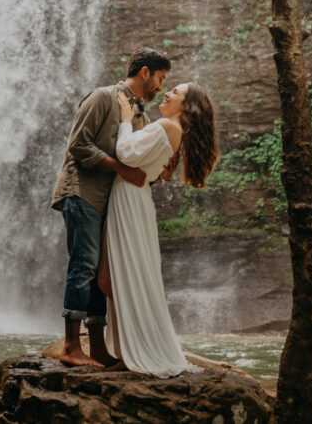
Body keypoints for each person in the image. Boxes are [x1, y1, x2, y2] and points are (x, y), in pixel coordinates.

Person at [49, 47, 172, 368]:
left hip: (111, 203)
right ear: (145, 71)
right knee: (84, 266)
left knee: (103, 273)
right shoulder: (102, 98)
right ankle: (71, 347)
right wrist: (121, 168)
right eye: (161, 77)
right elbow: (78, 144)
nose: (161, 86)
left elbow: (138, 168)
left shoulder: (140, 115)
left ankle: (99, 349)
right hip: (83, 192)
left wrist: (160, 171)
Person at [98, 82, 219, 377]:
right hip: (134, 200)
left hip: (128, 200)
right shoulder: (174, 132)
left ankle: (135, 350)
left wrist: (126, 119)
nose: (167, 93)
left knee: (113, 278)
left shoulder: (166, 125)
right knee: (120, 277)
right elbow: (149, 166)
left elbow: (125, 153)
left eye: (175, 92)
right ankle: (131, 349)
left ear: (187, 105)